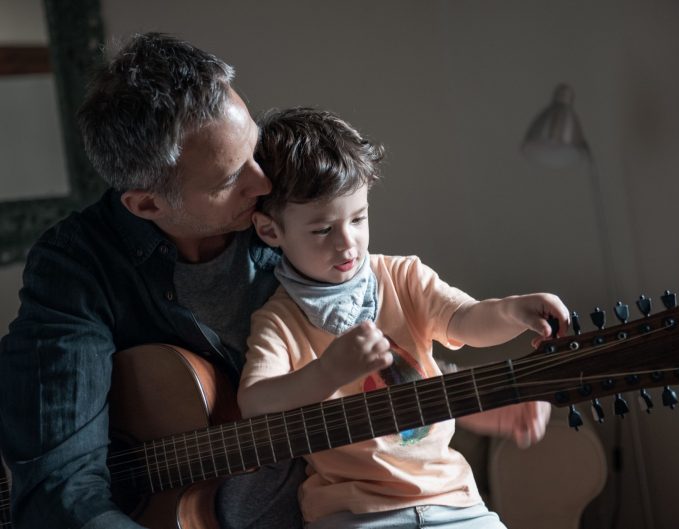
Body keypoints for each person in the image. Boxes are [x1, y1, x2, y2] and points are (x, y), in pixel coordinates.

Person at [0, 33, 307, 529]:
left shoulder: (292, 198)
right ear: (147, 205)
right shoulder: (78, 264)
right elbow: (59, 492)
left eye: (254, 146)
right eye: (230, 180)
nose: (265, 183)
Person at [236, 107, 570, 528]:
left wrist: (512, 310)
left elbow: (465, 319)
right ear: (270, 232)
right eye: (322, 230)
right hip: (351, 512)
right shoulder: (279, 321)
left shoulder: (403, 277)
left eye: (358, 219)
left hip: (452, 500)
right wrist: (330, 370)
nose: (347, 244)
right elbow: (255, 405)